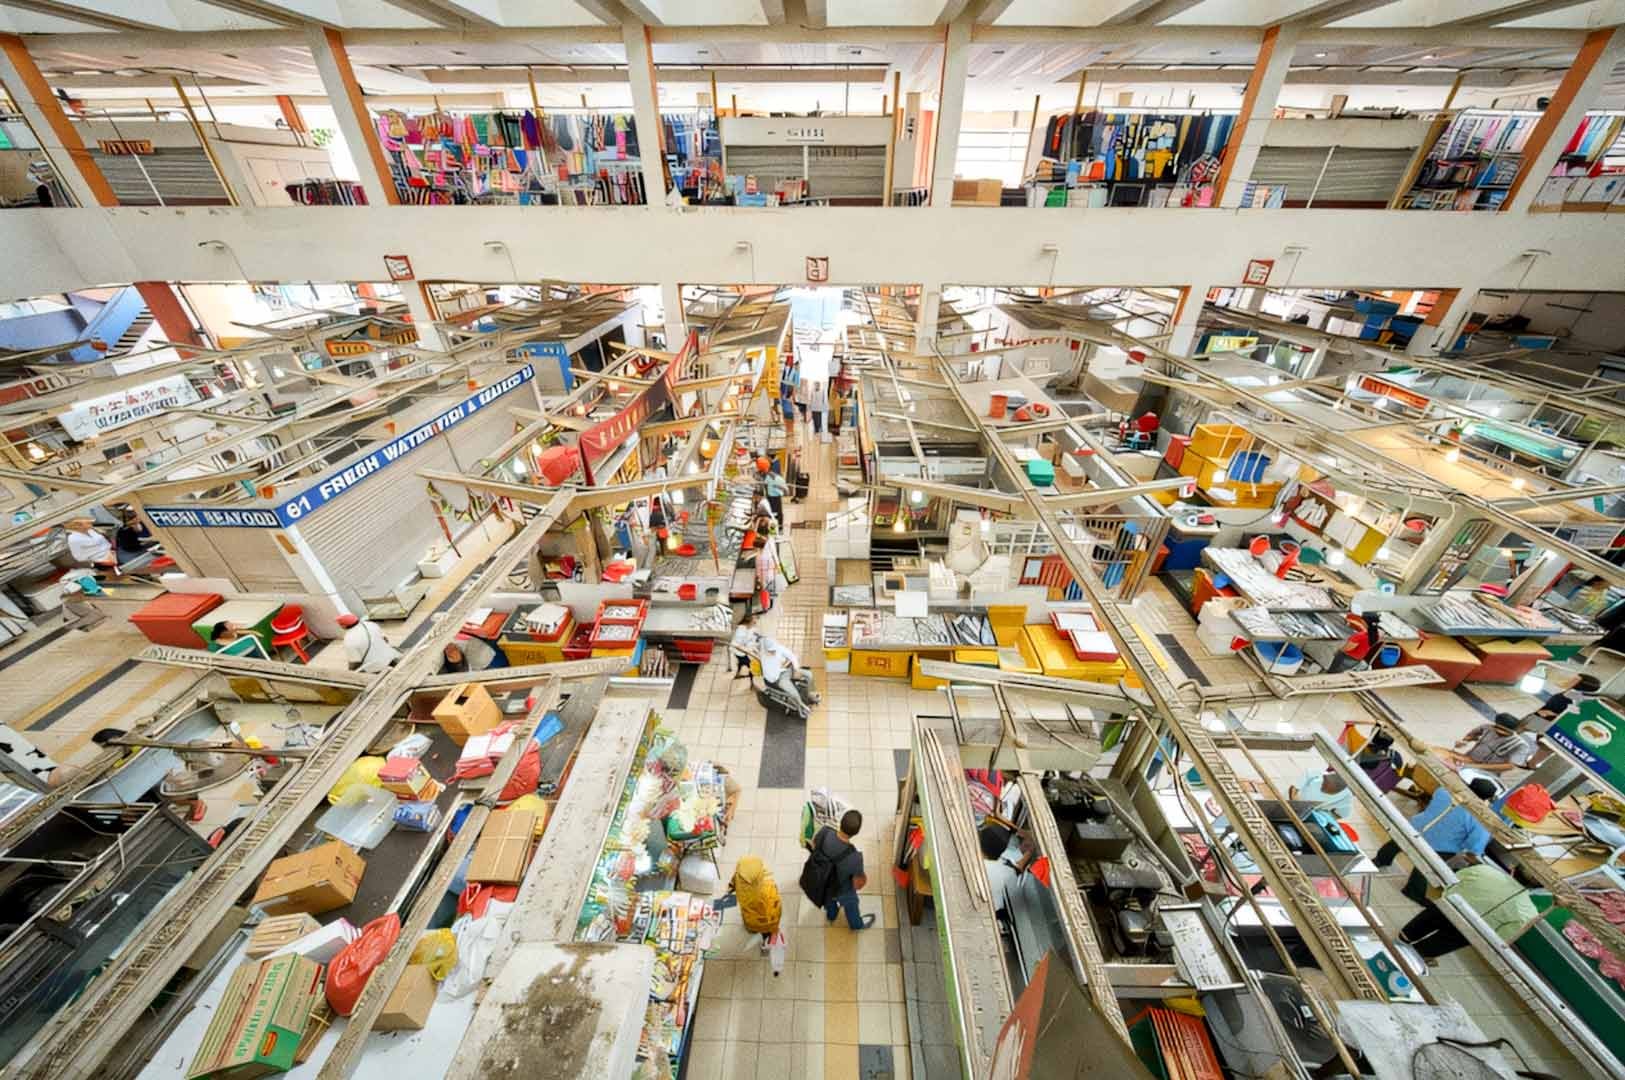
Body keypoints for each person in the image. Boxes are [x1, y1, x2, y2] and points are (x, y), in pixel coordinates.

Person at [1374, 777, 1499, 901]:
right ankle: (1412, 891)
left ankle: (1380, 860)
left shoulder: (1444, 791)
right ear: (1486, 800)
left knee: (1397, 844)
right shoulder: (1481, 820)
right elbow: (1474, 848)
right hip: (1439, 848)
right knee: (1427, 866)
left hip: (1415, 829)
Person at [1398, 856, 1539, 959]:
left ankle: (1400, 942)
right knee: (1422, 952)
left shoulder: (1485, 870)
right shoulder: (1529, 913)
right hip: (1467, 932)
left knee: (1408, 933)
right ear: (1539, 888)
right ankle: (1409, 959)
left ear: (1513, 868)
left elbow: (1451, 882)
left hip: (1446, 908)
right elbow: (1499, 937)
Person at [807, 810, 874, 931]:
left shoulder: (824, 831)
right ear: (856, 832)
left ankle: (831, 915)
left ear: (841, 822)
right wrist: (863, 878)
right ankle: (857, 925)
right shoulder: (855, 857)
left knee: (829, 900)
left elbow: (814, 845)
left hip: (823, 882)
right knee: (851, 904)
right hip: (842, 889)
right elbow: (858, 884)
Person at [727, 854, 784, 956]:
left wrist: (730, 889)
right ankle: (766, 946)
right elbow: (774, 907)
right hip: (765, 921)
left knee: (751, 926)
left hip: (749, 918)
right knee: (766, 934)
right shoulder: (767, 887)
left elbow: (732, 883)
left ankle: (752, 930)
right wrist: (774, 927)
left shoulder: (740, 878)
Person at [1446, 713, 1539, 772]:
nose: (1499, 732)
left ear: (1513, 731)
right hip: (1467, 759)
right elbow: (1471, 735)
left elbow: (1510, 766)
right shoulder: (1487, 727)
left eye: (1504, 731)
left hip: (1488, 771)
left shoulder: (1521, 745)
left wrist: (1475, 767)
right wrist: (1464, 741)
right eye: (1497, 728)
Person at [757, 631, 820, 711]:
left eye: (774, 650)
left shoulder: (778, 647)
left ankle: (811, 695)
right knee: (794, 694)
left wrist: (796, 669)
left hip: (788, 670)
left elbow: (792, 656)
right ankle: (802, 707)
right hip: (779, 678)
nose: (774, 652)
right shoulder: (764, 657)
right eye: (771, 651)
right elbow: (771, 677)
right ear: (766, 650)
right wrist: (781, 667)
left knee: (809, 674)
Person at [1524, 673, 1601, 729]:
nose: (1569, 679)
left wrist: (1554, 715)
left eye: (1573, 680)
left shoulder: (1573, 702)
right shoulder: (1563, 694)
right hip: (1537, 716)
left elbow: (1569, 721)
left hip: (1543, 722)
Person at [1288, 767, 1354, 818]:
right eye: (1325, 784)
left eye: (1330, 790)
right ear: (1324, 777)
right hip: (1292, 801)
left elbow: (1341, 815)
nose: (1324, 789)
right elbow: (1293, 789)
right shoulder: (1315, 773)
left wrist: (1322, 816)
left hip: (1307, 813)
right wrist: (1296, 803)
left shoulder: (1347, 796)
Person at [731, 614, 759, 686]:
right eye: (753, 622)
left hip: (745, 651)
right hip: (740, 653)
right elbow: (737, 645)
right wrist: (751, 653)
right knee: (752, 667)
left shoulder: (749, 628)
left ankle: (737, 674)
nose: (755, 624)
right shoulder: (740, 631)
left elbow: (751, 638)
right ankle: (752, 684)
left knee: (741, 663)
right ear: (748, 623)